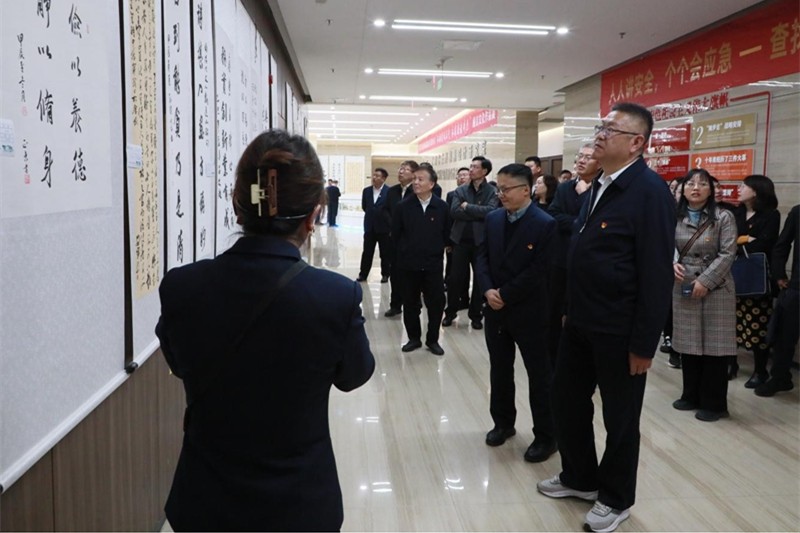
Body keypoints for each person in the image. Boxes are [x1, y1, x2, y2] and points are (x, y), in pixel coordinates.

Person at [155, 130, 375, 531]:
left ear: (237, 206)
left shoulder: (181, 287)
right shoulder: (335, 296)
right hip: (300, 503)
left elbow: (180, 363)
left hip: (205, 498)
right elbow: (354, 376)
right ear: (313, 216)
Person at [537, 102, 675, 533]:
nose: (599, 134)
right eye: (600, 126)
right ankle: (580, 477)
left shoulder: (649, 192)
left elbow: (656, 273)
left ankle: (615, 498)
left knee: (620, 418)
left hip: (620, 329)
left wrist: (644, 344)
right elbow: (583, 252)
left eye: (610, 130)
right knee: (566, 399)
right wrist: (568, 310)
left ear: (636, 143)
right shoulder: (599, 184)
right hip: (580, 321)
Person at [476, 163, 558, 463]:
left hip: (529, 311)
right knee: (499, 369)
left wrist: (505, 294)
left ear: (526, 190)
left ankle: (546, 436)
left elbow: (540, 270)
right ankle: (503, 423)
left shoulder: (545, 223)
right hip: (495, 310)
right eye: (498, 188)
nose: (501, 194)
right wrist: (488, 290)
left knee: (539, 376)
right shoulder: (493, 218)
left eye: (506, 189)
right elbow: (481, 257)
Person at [670, 169, 737, 422]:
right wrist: (670, 263)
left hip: (717, 288)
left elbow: (728, 254)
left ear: (711, 189)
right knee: (688, 343)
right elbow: (664, 245)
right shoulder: (674, 216)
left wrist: (706, 281)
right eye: (690, 183)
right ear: (683, 189)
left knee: (715, 347)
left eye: (702, 183)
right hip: (684, 284)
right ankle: (691, 395)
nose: (696, 188)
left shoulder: (723, 217)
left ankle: (715, 403)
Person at [547, 144, 600, 367]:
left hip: (588, 262)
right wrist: (579, 223)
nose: (582, 160)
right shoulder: (565, 187)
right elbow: (554, 215)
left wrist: (577, 219)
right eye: (580, 156)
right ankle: (554, 360)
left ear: (600, 162)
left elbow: (594, 223)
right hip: (561, 258)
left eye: (588, 157)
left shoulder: (601, 189)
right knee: (554, 309)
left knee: (580, 311)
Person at [392, 165, 451, 356]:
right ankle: (414, 338)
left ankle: (433, 339)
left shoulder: (442, 207)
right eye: (414, 179)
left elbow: (446, 233)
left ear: (431, 184)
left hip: (433, 264)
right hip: (408, 264)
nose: (416, 182)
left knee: (436, 303)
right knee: (410, 303)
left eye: (420, 179)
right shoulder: (403, 206)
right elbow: (396, 235)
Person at [732, 174, 780, 387]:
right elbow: (727, 242)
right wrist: (745, 240)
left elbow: (764, 244)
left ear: (757, 191)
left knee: (757, 325)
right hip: (732, 274)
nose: (739, 189)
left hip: (756, 278)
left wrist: (739, 243)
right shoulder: (736, 213)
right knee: (731, 324)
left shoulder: (770, 215)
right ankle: (731, 364)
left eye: (744, 186)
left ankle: (760, 371)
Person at [444, 156, 499, 329]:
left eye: (475, 167)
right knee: (455, 279)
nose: (471, 170)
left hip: (481, 242)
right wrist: (477, 213)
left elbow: (491, 212)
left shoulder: (492, 191)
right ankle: (450, 312)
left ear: (484, 171)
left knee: (480, 280)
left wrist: (467, 207)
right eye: (471, 166)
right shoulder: (461, 190)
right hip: (460, 241)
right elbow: (454, 212)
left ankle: (476, 315)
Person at [756, 204, 799, 396]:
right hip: (797, 286)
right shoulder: (798, 212)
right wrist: (779, 274)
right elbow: (782, 245)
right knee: (785, 336)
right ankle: (780, 378)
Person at [383, 160, 418, 317]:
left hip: (412, 240)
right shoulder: (392, 191)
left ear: (414, 174)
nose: (401, 172)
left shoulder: (417, 191)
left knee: (411, 275)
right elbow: (385, 210)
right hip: (394, 239)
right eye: (400, 169)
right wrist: (393, 225)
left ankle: (412, 304)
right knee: (395, 273)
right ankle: (395, 305)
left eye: (405, 169)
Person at [357, 168, 392, 283]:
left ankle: (385, 274)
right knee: (367, 252)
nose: (374, 177)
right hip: (369, 227)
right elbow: (364, 206)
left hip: (384, 228)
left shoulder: (389, 192)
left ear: (383, 178)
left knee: (385, 253)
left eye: (377, 176)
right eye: (374, 175)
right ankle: (363, 274)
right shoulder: (366, 191)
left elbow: (392, 209)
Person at [445, 167, 472, 313]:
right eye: (459, 175)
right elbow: (451, 216)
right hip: (455, 238)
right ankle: (454, 303)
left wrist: (468, 209)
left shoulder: (474, 194)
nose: (462, 177)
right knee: (455, 273)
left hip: (473, 238)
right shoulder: (451, 195)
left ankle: (467, 300)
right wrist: (448, 241)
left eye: (465, 175)